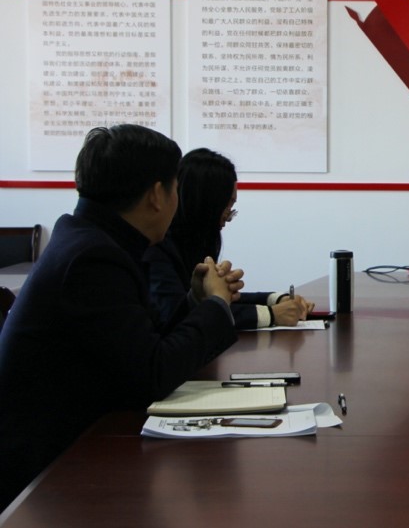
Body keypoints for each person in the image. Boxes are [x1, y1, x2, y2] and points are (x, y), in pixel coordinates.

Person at [0, 125, 238, 511]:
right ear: (157, 195)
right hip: (46, 479)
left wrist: (195, 301)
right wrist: (215, 305)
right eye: (176, 188)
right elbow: (152, 374)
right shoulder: (93, 259)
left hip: (79, 447)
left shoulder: (92, 239)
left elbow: (142, 347)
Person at [145, 148, 313, 329]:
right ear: (208, 202)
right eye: (228, 206)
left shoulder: (192, 240)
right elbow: (180, 314)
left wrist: (276, 299)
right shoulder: (157, 247)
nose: (227, 218)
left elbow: (218, 301)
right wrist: (271, 315)